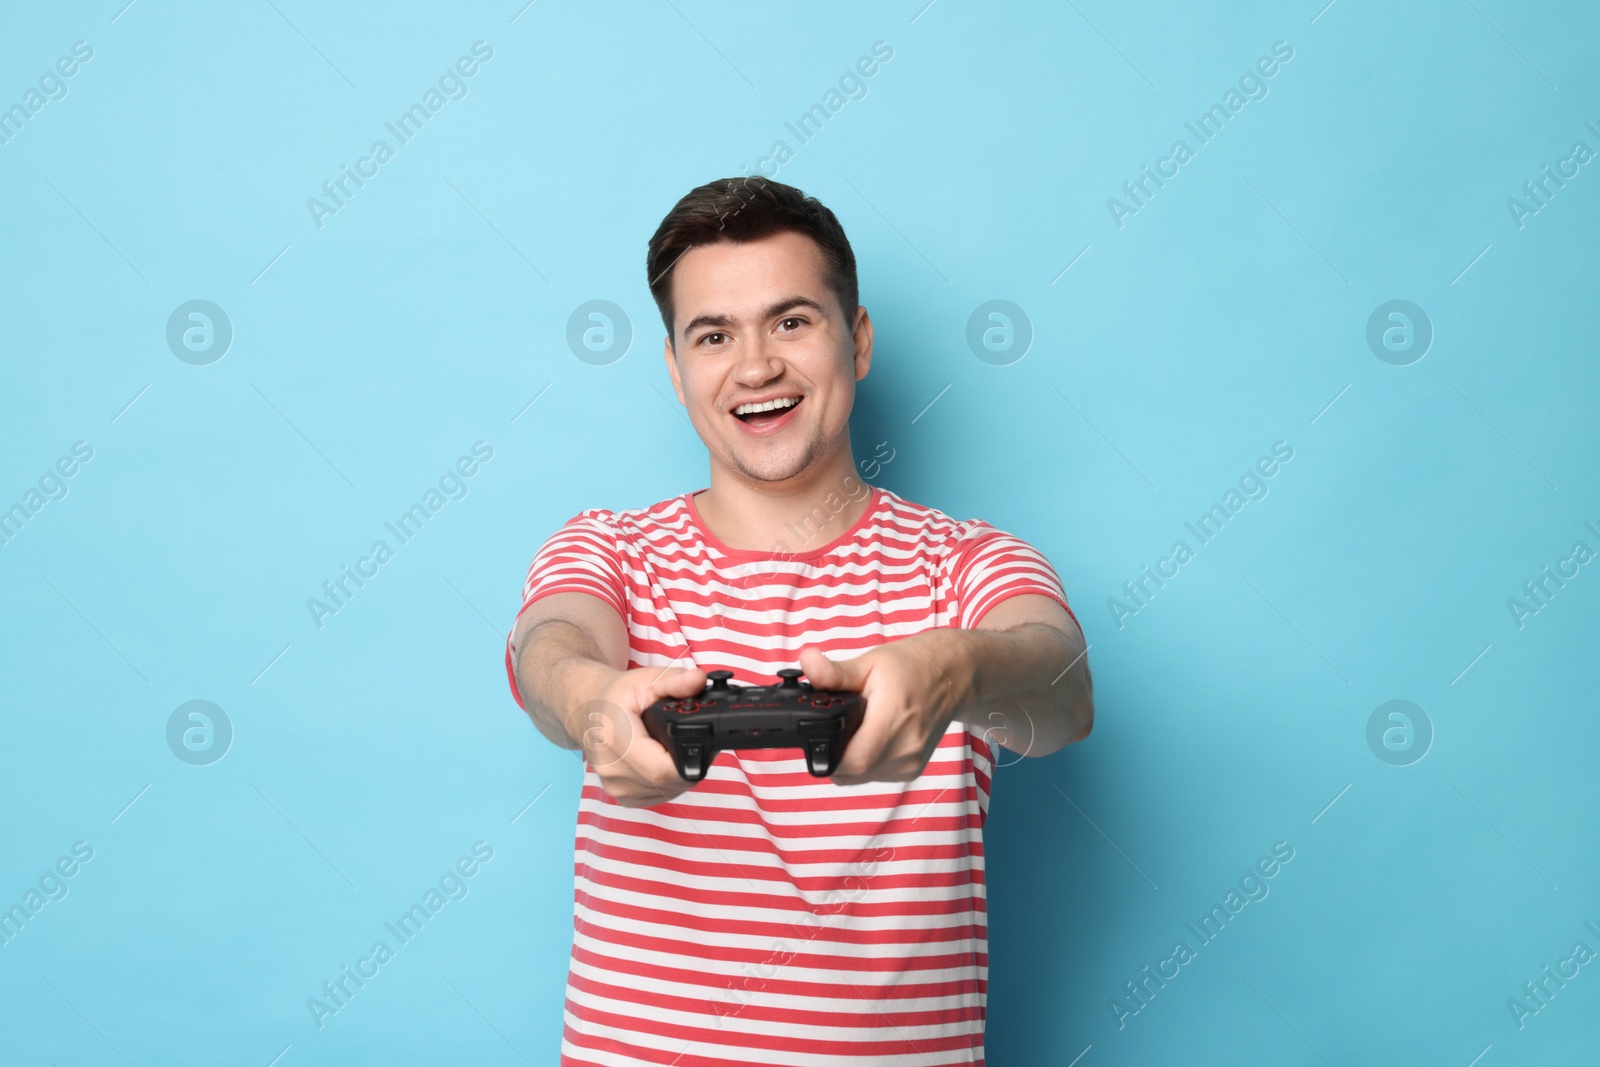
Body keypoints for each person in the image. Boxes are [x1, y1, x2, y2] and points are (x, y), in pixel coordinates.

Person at [504, 175, 1094, 1066]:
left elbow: (1062, 690)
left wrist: (953, 671)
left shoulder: (966, 566)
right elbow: (552, 643)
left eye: (791, 321)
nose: (755, 367)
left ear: (855, 342)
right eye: (713, 335)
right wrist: (591, 701)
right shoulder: (610, 549)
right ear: (675, 369)